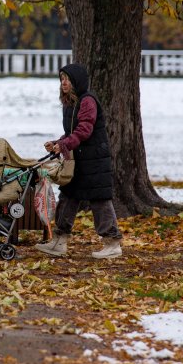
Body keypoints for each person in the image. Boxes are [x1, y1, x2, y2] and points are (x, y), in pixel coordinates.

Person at [36, 63, 123, 259]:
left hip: (94, 159)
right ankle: (59, 241)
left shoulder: (87, 101)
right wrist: (58, 143)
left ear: (77, 81)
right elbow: (71, 132)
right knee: (68, 196)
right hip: (77, 160)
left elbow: (84, 130)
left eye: (67, 79)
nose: (64, 82)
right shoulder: (70, 103)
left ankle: (112, 243)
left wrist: (64, 145)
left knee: (99, 199)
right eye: (61, 79)